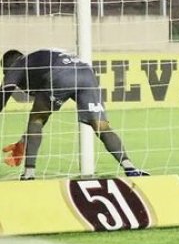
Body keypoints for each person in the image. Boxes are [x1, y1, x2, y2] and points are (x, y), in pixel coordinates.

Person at [0, 48, 148, 180]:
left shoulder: (17, 65)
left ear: (8, 66)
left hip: (60, 74)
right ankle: (130, 167)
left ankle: (29, 174)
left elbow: (3, 95)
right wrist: (24, 141)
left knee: (36, 119)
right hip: (86, 73)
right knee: (102, 127)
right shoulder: (40, 55)